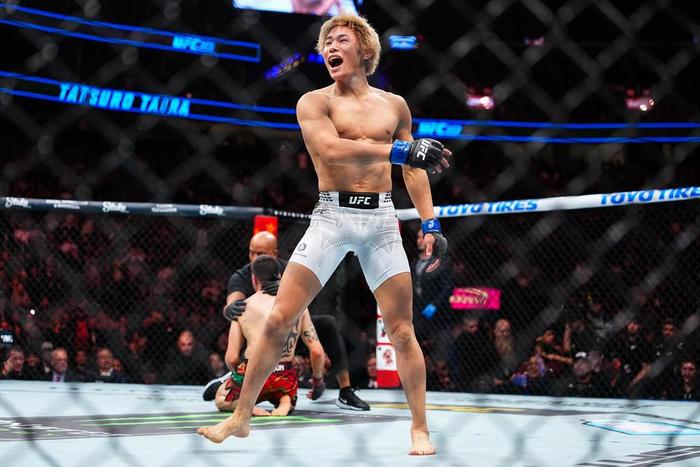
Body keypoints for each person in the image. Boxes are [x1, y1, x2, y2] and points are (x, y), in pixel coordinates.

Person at [198, 13, 451, 455]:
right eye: (326, 41)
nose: (330, 46)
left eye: (340, 39)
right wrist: (401, 150)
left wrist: (430, 223)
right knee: (279, 318)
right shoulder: (314, 102)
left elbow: (413, 170)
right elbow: (332, 150)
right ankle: (240, 418)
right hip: (331, 216)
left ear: (364, 50)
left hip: (381, 220)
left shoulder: (395, 105)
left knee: (402, 330)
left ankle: (419, 429)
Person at [215, 230, 369, 411]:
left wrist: (285, 290)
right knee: (240, 320)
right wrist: (230, 309)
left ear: (274, 253)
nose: (255, 258)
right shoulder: (241, 275)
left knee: (327, 323)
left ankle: (346, 391)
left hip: (288, 334)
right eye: (252, 252)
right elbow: (232, 305)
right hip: (256, 342)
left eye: (261, 253)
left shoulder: (290, 270)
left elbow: (306, 300)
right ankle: (239, 378)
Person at [211, 255, 326, 416]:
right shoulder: (298, 306)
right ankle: (285, 399)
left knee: (221, 397)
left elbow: (231, 358)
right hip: (284, 377)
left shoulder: (243, 308)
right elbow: (317, 351)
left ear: (254, 279)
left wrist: (238, 376)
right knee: (283, 389)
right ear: (280, 276)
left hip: (254, 373)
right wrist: (318, 381)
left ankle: (246, 405)